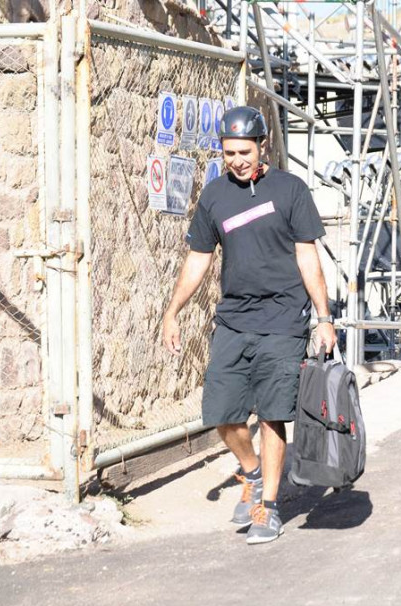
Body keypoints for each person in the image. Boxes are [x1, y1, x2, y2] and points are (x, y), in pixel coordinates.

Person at [161, 106, 336, 545]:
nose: (236, 159)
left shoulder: (290, 189)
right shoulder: (215, 196)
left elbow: (307, 256)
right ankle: (253, 471)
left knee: (274, 415)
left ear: (263, 147)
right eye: (228, 152)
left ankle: (269, 506)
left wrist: (324, 318)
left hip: (283, 320)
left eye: (244, 151)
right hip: (234, 321)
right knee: (221, 414)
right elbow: (199, 258)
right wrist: (172, 311)